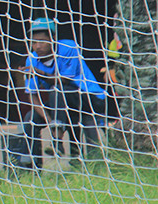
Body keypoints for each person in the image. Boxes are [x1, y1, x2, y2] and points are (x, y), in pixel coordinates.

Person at [17, 17, 106, 167]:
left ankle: (57, 141)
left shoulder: (68, 48)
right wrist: (49, 120)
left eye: (42, 41)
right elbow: (32, 96)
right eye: (33, 42)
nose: (37, 46)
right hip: (60, 103)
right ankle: (31, 166)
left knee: (57, 90)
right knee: (30, 117)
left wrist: (40, 73)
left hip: (89, 98)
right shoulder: (31, 60)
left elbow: (63, 80)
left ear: (53, 39)